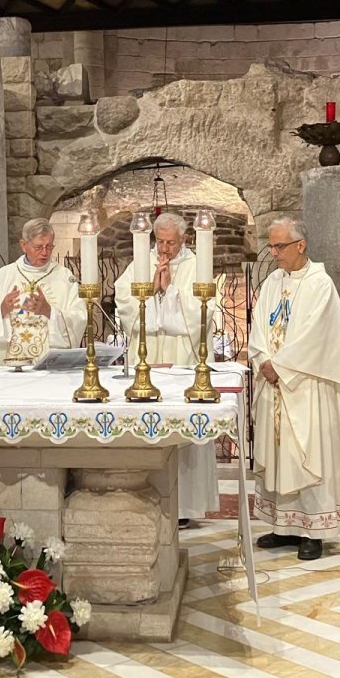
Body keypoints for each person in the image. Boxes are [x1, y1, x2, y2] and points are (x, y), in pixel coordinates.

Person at [248, 216, 340, 561]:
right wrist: (263, 361)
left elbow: (315, 336)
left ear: (301, 245)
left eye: (279, 246)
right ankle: (284, 526)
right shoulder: (271, 282)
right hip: (275, 385)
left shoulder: (320, 284)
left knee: (307, 454)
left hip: (307, 386)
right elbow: (258, 326)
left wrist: (279, 366)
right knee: (282, 456)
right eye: (270, 246)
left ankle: (314, 530)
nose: (274, 253)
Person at [115, 212, 219, 528]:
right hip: (148, 358)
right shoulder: (140, 263)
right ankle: (145, 498)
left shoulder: (195, 266)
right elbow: (125, 304)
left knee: (182, 432)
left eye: (170, 242)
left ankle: (184, 506)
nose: (164, 249)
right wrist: (151, 292)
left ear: (184, 240)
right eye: (159, 241)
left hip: (182, 358)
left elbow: (202, 313)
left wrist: (170, 291)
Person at [0, 219, 86, 366]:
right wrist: (2, 310)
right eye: (38, 247)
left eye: (49, 246)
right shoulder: (4, 276)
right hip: (8, 366)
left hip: (49, 369)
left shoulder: (65, 277)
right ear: (24, 245)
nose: (45, 253)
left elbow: (79, 316)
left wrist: (50, 311)